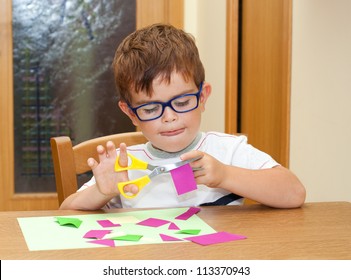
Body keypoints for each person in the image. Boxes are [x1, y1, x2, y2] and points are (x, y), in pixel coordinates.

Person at [59, 23, 306, 210]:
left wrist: (225, 175)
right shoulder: (125, 164)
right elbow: (64, 213)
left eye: (182, 102)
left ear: (202, 97)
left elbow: (294, 193)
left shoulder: (227, 150)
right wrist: (102, 192)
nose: (169, 117)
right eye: (150, 109)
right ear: (130, 113)